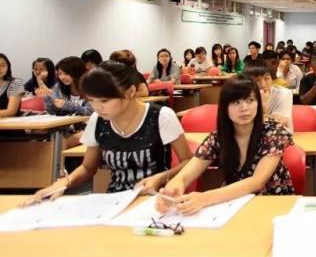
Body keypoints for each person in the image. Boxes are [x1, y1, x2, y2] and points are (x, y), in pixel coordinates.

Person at [25, 61, 192, 203]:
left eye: (105, 101)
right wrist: (63, 183)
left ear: (130, 92)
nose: (97, 107)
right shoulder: (98, 120)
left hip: (156, 199)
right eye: (91, 100)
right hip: (115, 200)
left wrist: (161, 177)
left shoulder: (160, 116)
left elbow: (188, 162)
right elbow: (88, 167)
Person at [157, 76, 294, 215]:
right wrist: (173, 188)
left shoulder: (274, 132)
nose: (244, 108)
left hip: (274, 204)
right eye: (236, 102)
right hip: (233, 205)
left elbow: (257, 182)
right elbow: (185, 175)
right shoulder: (218, 137)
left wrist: (204, 198)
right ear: (224, 107)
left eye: (250, 100)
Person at [244, 60, 293, 131]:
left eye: (266, 78)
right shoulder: (243, 97)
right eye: (257, 80)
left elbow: (277, 129)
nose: (263, 85)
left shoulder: (284, 94)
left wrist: (265, 111)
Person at [0, 54, 25, 118]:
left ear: (8, 67)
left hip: (10, 123)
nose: (0, 68)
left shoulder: (15, 83)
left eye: (3, 65)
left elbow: (11, 112)